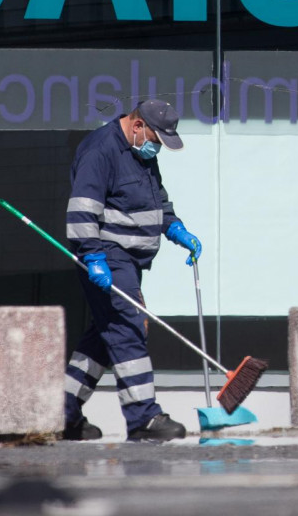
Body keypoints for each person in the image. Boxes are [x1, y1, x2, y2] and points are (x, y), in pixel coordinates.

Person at [61, 98, 203, 442]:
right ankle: (143, 418)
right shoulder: (99, 151)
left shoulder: (141, 152)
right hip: (107, 255)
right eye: (156, 140)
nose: (157, 149)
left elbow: (155, 200)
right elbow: (82, 210)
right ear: (138, 126)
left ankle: (60, 413)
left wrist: (175, 228)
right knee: (128, 327)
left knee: (104, 336)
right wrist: (93, 256)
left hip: (129, 261)